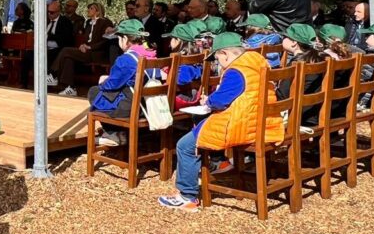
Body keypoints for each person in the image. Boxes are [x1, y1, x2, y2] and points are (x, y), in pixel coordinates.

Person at [158, 32, 278, 212]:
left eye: (218, 58)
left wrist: (208, 101)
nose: (218, 63)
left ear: (225, 54)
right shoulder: (258, 63)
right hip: (261, 122)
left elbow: (221, 101)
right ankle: (219, 161)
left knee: (185, 145)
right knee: (199, 119)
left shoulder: (237, 71)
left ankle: (187, 196)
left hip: (241, 125)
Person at [87, 19, 155, 148]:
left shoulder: (125, 59)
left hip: (131, 108)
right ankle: (119, 133)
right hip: (147, 105)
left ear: (124, 39)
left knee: (94, 92)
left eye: (118, 38)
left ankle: (113, 133)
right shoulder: (150, 55)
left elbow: (112, 85)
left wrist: (104, 81)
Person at [49, 2, 111, 95]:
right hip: (87, 52)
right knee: (68, 58)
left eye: (91, 8)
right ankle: (70, 88)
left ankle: (53, 74)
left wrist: (90, 47)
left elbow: (105, 41)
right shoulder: (88, 23)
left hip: (97, 53)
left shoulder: (105, 22)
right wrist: (82, 45)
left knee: (66, 50)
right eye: (88, 8)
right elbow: (86, 40)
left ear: (97, 12)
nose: (88, 10)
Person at [277, 23, 326, 132]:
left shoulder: (297, 64)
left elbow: (283, 96)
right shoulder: (319, 60)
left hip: (298, 115)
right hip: (315, 112)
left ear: (294, 42)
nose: (283, 39)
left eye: (285, 37)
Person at [30, 0, 75, 88]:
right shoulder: (46, 21)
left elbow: (66, 38)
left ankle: (51, 77)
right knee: (29, 55)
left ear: (58, 12)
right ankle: (28, 83)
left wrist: (48, 36)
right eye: (48, 12)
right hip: (45, 47)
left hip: (58, 48)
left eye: (52, 12)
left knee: (48, 55)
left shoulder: (65, 21)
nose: (49, 14)